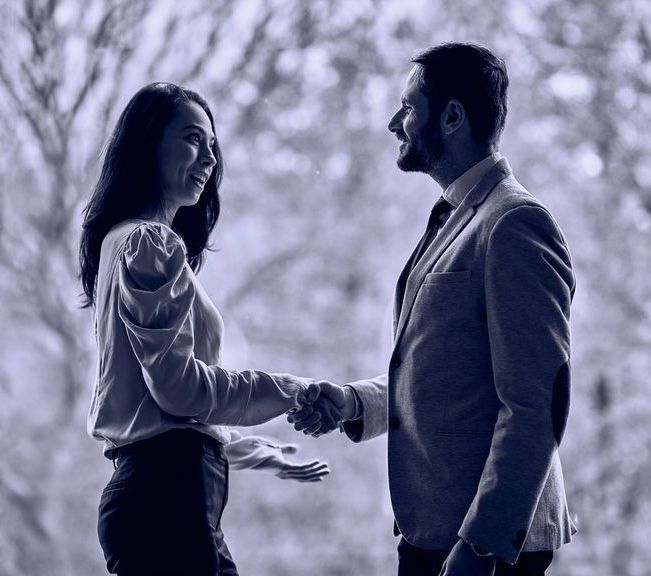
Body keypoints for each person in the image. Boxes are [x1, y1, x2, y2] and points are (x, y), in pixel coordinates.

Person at [289, 43, 576, 576]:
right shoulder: (458, 217)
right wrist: (353, 402)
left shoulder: (515, 225)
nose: (393, 123)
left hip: (481, 547)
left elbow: (536, 405)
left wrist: (482, 545)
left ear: (451, 117)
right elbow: (447, 377)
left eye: (408, 107)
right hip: (435, 532)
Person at [79, 82, 327, 576]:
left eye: (213, 146)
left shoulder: (122, 242)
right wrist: (290, 390)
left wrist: (255, 451)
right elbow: (179, 391)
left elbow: (156, 414)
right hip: (167, 502)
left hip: (163, 499)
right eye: (193, 139)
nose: (209, 159)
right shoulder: (149, 243)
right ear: (148, 142)